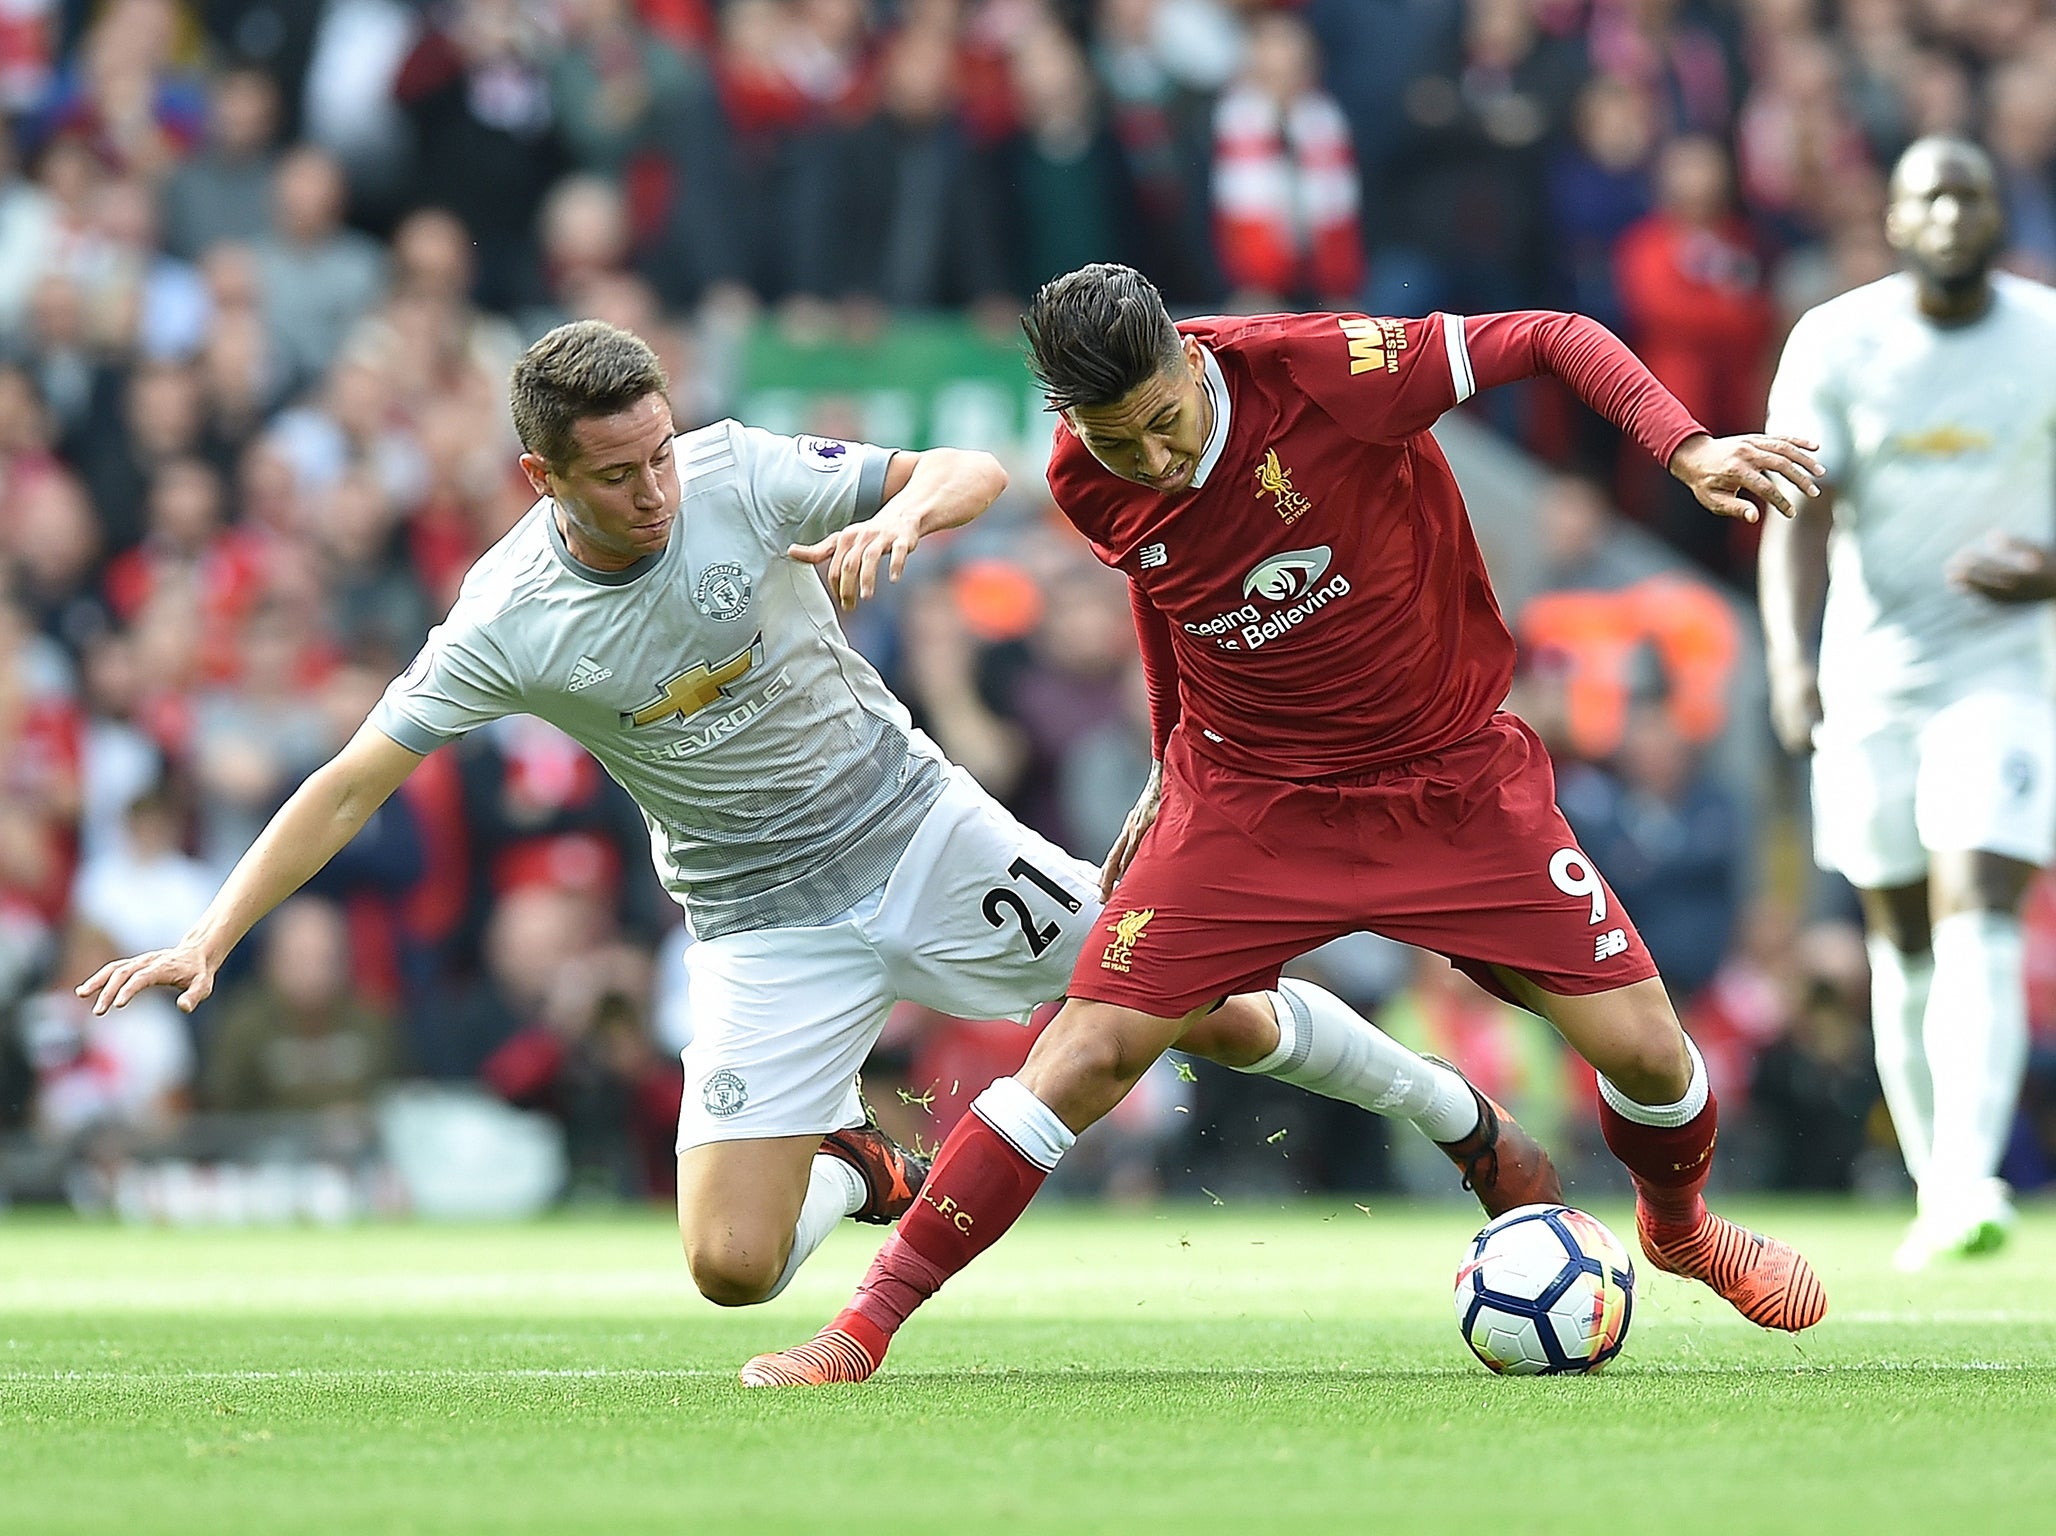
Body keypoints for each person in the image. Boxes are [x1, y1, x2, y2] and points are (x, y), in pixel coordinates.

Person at [81, 320, 1556, 1312]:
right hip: (755, 919)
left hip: (919, 834)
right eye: (616, 473)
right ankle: (859, 1163)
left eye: (660, 450)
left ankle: (1465, 1124)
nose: (657, 486)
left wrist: (905, 516)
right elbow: (352, 776)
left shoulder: (734, 474)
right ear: (542, 479)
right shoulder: (507, 621)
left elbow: (974, 468)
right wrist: (215, 932)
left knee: (1210, 1007)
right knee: (730, 1274)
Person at [743, 263, 1830, 1388]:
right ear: (1072, 423)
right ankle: (860, 1328)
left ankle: (1681, 1229)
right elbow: (1172, 595)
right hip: (1250, 803)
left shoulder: (1327, 372)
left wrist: (1684, 445)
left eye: (1166, 424)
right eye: (1123, 445)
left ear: (1187, 355)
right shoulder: (1085, 477)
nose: (1154, 462)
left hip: (1450, 784)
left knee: (1651, 1056)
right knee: (1083, 1052)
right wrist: (1170, 763)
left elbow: (1551, 334)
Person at [1759, 137, 2056, 1269]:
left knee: (1978, 894)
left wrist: (2045, 575)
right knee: (1898, 933)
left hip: (2003, 670)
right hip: (1870, 675)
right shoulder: (1836, 340)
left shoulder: (2041, 338)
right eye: (1927, 195)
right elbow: (1798, 511)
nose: (1948, 212)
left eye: (1969, 192)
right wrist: (1791, 663)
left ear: (1997, 211)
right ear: (1891, 218)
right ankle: (1941, 1183)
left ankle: (1971, 1178)